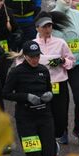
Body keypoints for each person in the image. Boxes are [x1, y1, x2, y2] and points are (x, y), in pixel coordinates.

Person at [3, 38, 55, 156]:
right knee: (34, 155)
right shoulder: (16, 72)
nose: (35, 59)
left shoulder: (43, 70)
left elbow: (49, 89)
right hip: (26, 118)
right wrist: (26, 97)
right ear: (25, 56)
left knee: (49, 155)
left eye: (37, 56)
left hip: (44, 116)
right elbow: (5, 93)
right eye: (32, 56)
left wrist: (49, 95)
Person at [46, 0, 79, 139]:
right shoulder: (51, 16)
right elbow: (45, 39)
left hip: (76, 63)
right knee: (61, 104)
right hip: (58, 67)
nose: (68, 0)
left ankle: (78, 129)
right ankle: (62, 129)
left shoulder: (76, 14)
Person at [31, 11, 73, 142]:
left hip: (59, 84)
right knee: (43, 116)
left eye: (49, 26)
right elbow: (21, 63)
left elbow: (71, 62)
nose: (47, 29)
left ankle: (60, 134)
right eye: (44, 26)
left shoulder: (60, 43)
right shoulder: (32, 44)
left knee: (60, 116)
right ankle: (49, 145)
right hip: (40, 85)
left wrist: (63, 61)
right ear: (37, 27)